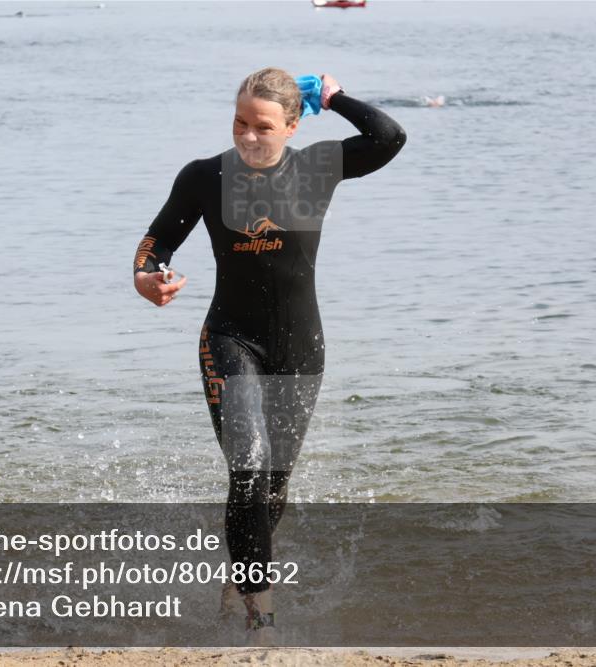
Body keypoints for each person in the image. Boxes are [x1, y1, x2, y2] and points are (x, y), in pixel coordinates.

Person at [132, 67, 405, 643]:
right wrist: (145, 278)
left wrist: (336, 97)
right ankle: (264, 618)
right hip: (230, 338)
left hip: (300, 346)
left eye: (262, 127)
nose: (248, 137)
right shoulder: (205, 177)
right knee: (249, 465)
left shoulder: (317, 167)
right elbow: (157, 241)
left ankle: (241, 573)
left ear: (292, 124)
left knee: (272, 484)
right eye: (239, 123)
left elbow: (389, 137)